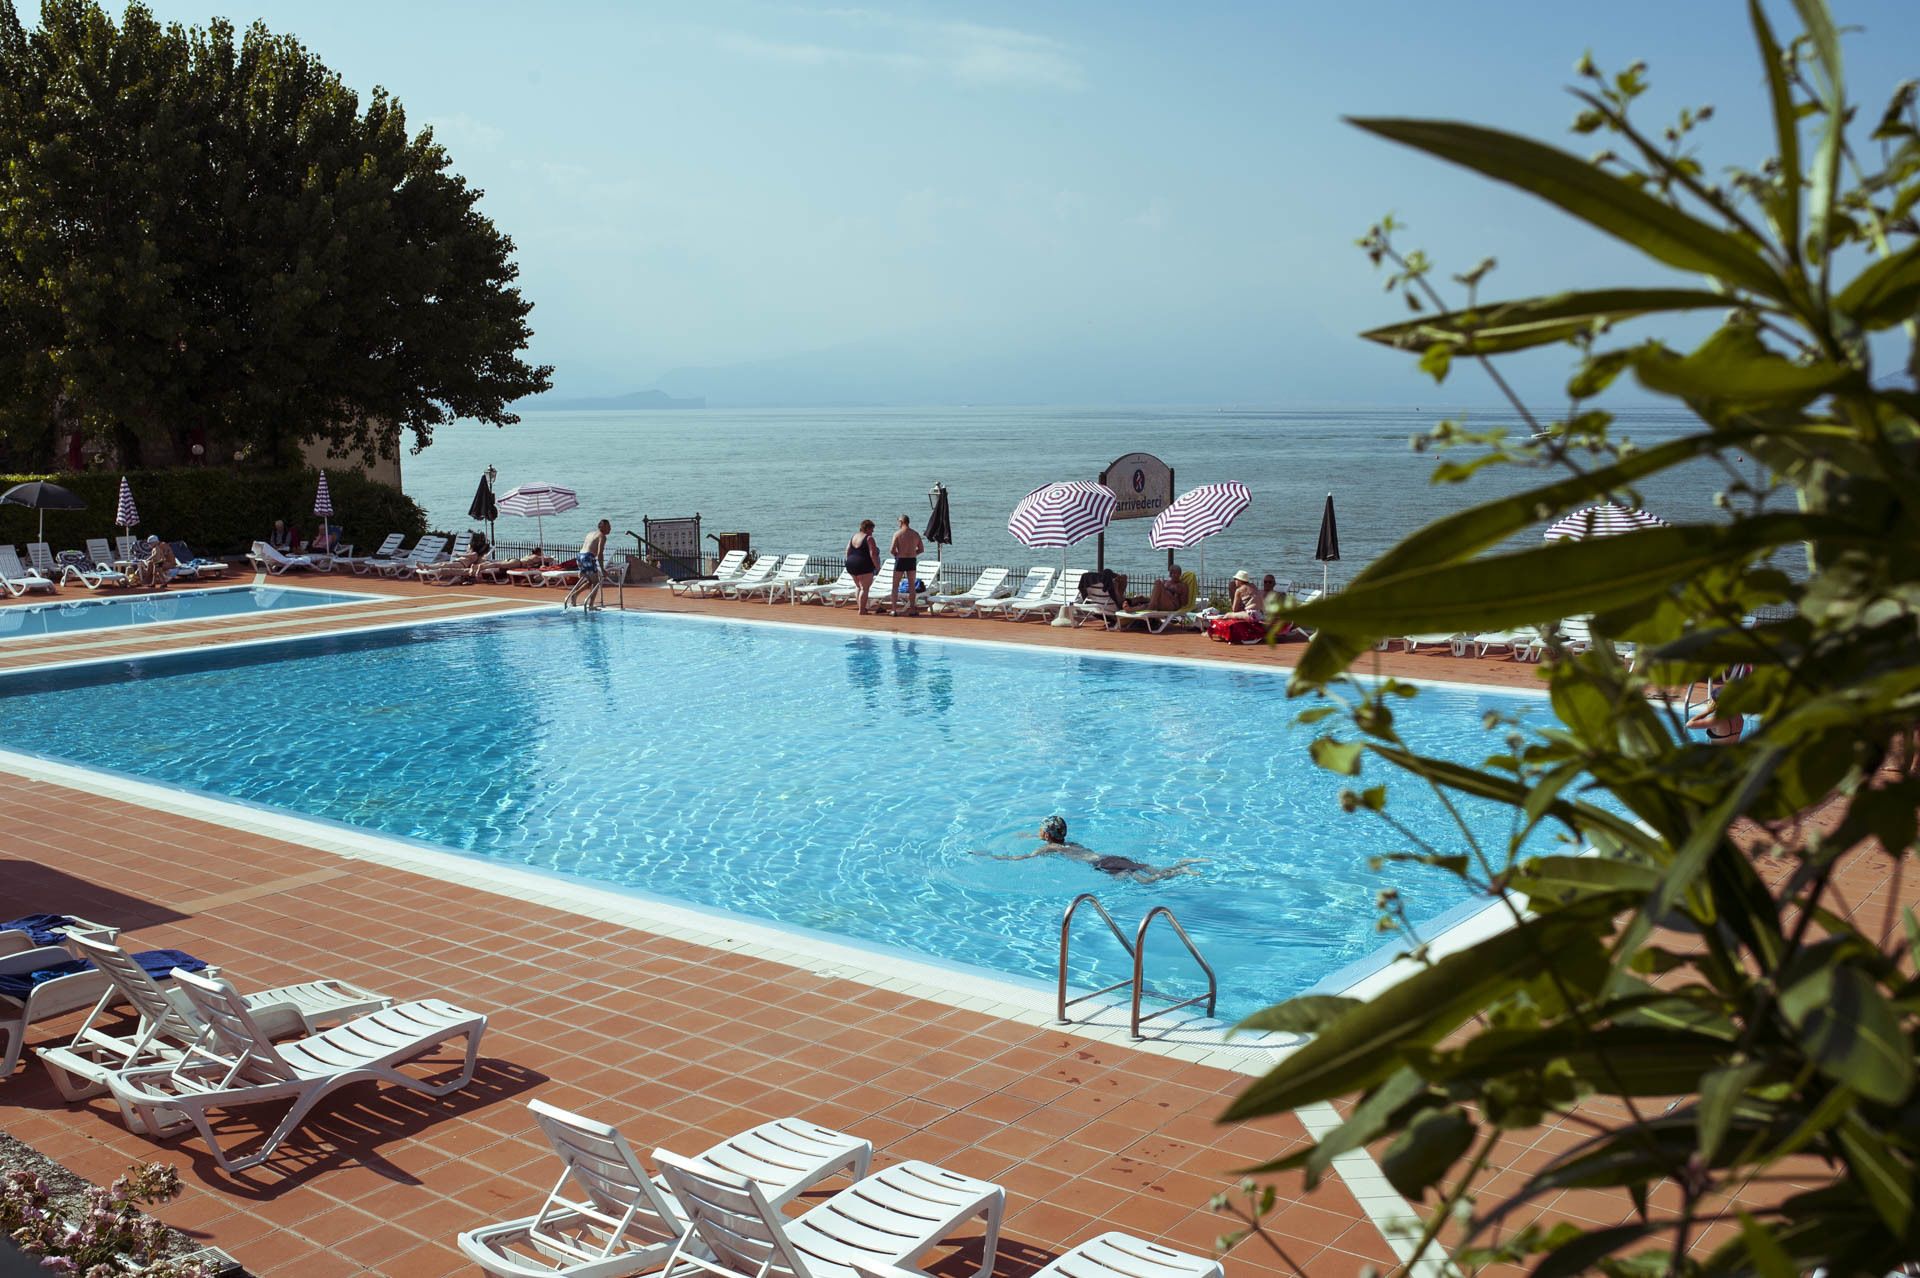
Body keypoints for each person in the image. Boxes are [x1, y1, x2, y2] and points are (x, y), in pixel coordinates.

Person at [972, 816, 1204, 885]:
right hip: (1109, 857)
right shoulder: (1069, 843)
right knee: (1146, 868)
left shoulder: (1049, 848)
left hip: (1103, 865)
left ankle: (1181, 870)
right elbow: (1051, 836)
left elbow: (1018, 857)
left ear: (1046, 836)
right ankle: (1182, 863)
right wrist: (1029, 835)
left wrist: (990, 856)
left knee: (1146, 880)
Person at [566, 519, 611, 610]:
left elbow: (585, 548)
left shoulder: (590, 534)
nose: (610, 528)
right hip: (588, 557)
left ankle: (575, 595)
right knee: (596, 582)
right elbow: (600, 553)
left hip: (580, 557)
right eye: (608, 526)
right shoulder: (602, 536)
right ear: (602, 527)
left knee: (590, 581)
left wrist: (581, 568)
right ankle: (591, 605)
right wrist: (602, 569)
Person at [889, 514, 925, 616]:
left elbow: (892, 550)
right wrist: (914, 553)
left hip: (901, 559)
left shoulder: (897, 534)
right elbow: (921, 549)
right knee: (912, 586)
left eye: (898, 522)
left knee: (895, 585)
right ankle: (912, 609)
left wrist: (897, 555)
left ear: (901, 522)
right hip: (911, 560)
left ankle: (894, 609)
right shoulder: (915, 534)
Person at [845, 519, 882, 614]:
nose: (873, 531)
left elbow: (847, 551)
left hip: (851, 564)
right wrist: (877, 567)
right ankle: (862, 610)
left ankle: (861, 607)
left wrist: (851, 561)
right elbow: (873, 554)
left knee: (858, 586)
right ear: (868, 528)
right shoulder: (869, 538)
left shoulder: (854, 537)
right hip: (863, 565)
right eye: (872, 529)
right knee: (865, 588)